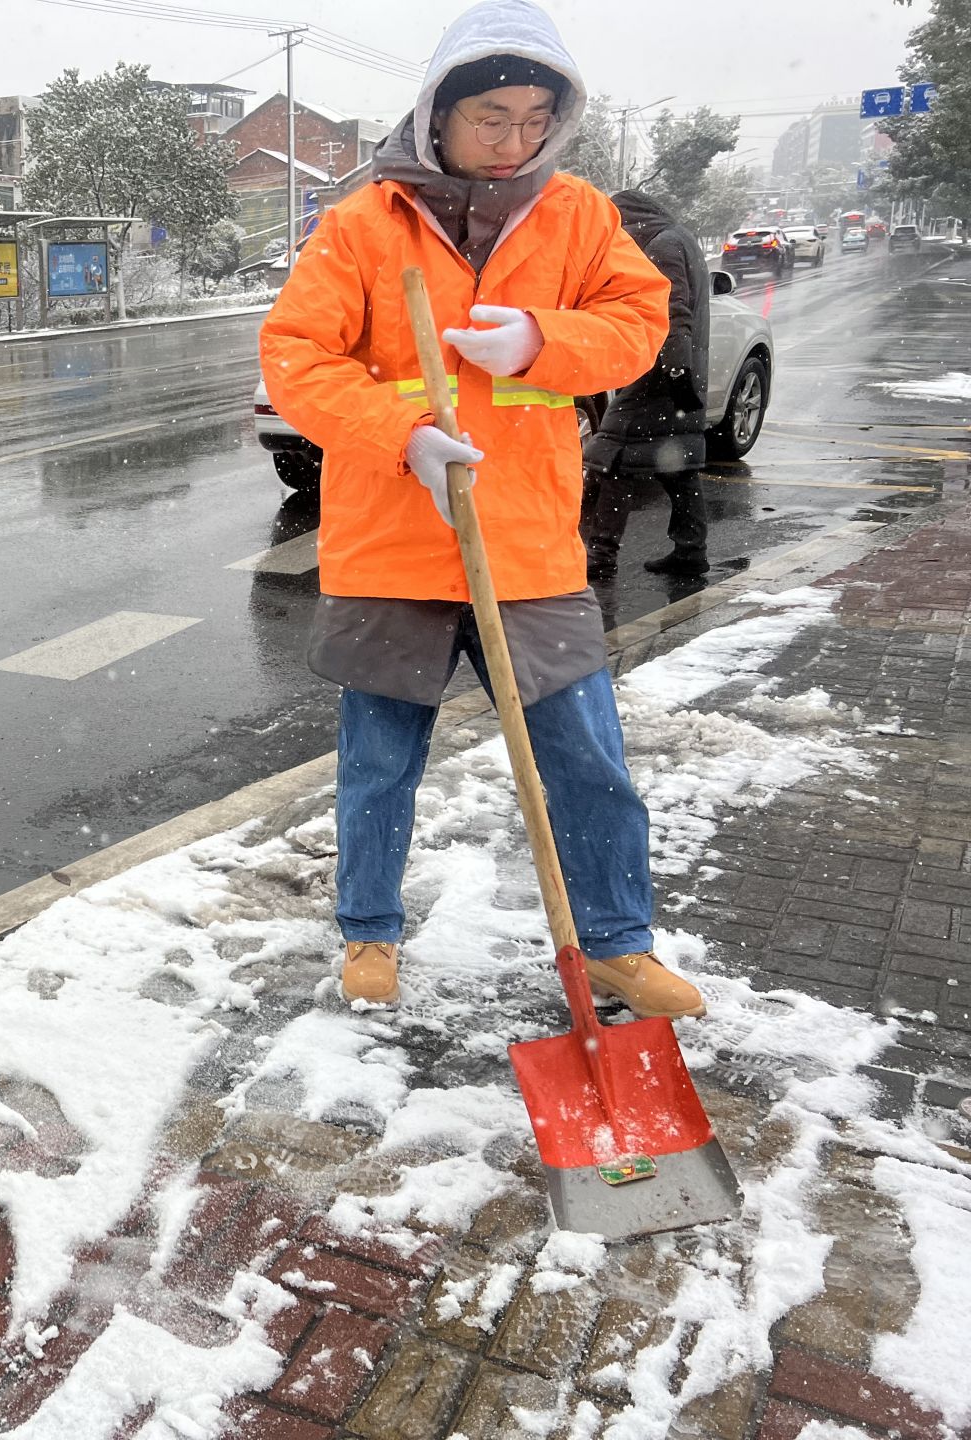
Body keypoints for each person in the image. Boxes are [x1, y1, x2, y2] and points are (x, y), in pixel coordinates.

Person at [260, 0, 706, 1021]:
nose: (517, 139)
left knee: (589, 761)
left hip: (528, 544)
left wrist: (544, 342)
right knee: (378, 764)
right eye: (493, 116)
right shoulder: (365, 223)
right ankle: (369, 931)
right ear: (440, 112)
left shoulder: (580, 216)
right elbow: (296, 358)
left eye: (536, 117)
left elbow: (640, 325)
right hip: (393, 543)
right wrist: (401, 429)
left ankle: (618, 947)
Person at [582, 189, 714, 578]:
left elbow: (673, 312)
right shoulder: (681, 238)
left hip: (657, 373)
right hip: (677, 372)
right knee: (677, 463)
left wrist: (675, 372)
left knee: (612, 456)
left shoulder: (663, 245)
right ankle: (691, 550)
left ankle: (601, 556)